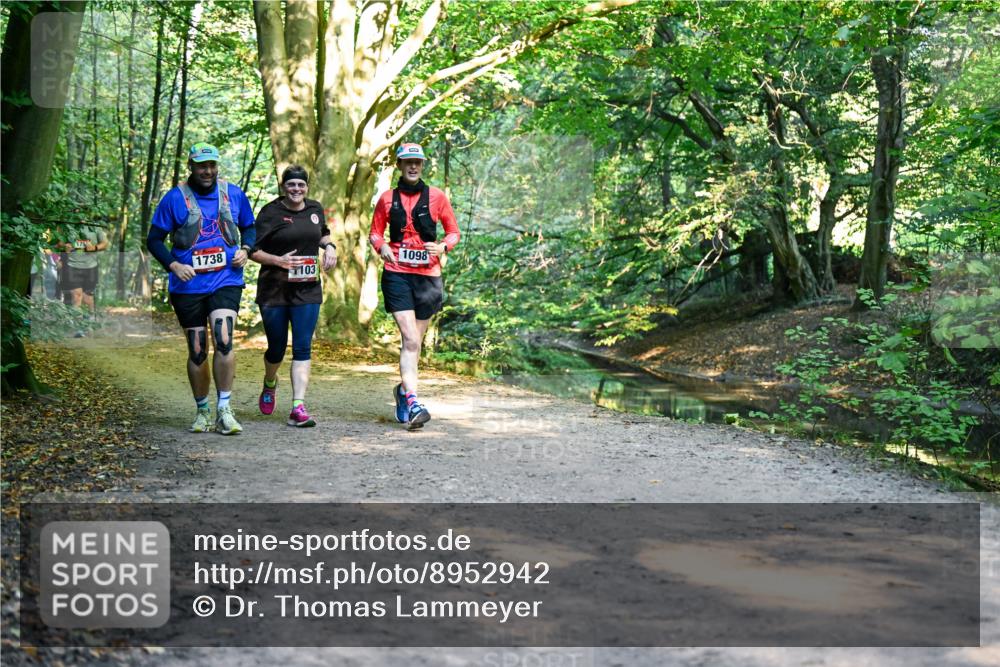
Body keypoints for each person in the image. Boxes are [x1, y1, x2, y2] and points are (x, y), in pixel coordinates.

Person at [146, 142, 256, 435]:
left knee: (224, 339)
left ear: (217, 166)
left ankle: (225, 409)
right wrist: (174, 266)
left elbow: (250, 226)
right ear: (191, 166)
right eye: (201, 165)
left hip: (226, 279)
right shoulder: (174, 199)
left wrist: (246, 249)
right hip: (188, 285)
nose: (207, 171)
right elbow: (154, 240)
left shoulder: (232, 194)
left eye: (211, 165)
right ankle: (203, 410)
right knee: (197, 350)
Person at [368, 143, 459, 429]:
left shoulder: (437, 197)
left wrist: (443, 245)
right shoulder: (386, 199)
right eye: (407, 162)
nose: (413, 166)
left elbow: (454, 232)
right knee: (409, 340)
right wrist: (381, 247)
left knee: (414, 344)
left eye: (417, 162)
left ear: (422, 165)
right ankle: (415, 402)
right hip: (397, 274)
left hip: (429, 277)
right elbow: (374, 233)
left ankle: (402, 392)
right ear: (399, 166)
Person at [249, 165, 337, 427]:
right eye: (291, 185)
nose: (296, 189)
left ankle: (298, 407)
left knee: (302, 347)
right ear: (283, 186)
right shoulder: (270, 212)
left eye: (301, 185)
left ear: (306, 187)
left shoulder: (314, 208)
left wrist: (329, 246)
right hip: (274, 290)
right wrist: (277, 260)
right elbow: (252, 249)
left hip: (307, 289)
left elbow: (322, 233)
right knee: (276, 349)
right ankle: (269, 383)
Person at [59, 220, 108, 316]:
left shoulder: (94, 226)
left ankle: (90, 318)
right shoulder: (69, 225)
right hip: (72, 266)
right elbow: (60, 243)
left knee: (87, 297)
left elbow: (105, 243)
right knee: (77, 295)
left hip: (91, 266)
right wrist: (65, 246)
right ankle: (77, 323)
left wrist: (94, 248)